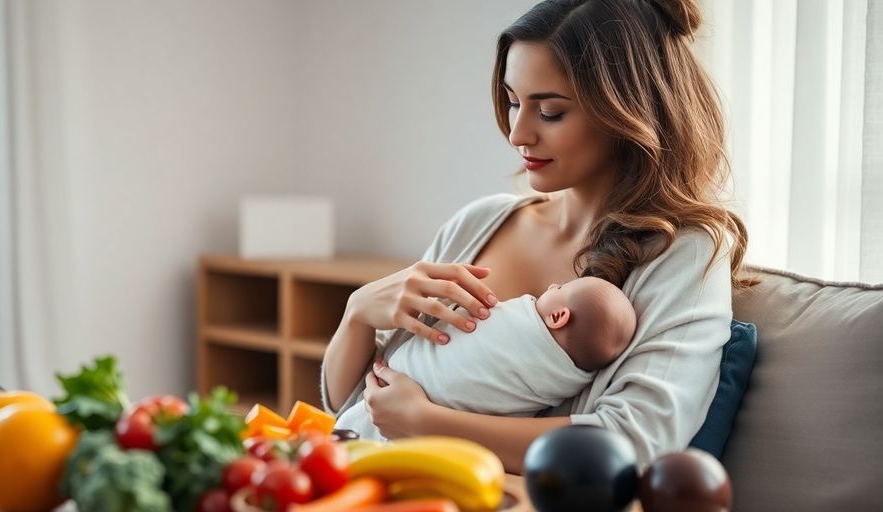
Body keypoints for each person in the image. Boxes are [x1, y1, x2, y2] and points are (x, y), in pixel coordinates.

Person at [321, 0, 754, 473]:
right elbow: (352, 411)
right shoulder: (480, 222)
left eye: (549, 112)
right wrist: (358, 314)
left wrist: (430, 423)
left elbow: (636, 441)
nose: (517, 133)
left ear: (627, 111)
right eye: (512, 102)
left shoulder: (684, 252)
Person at [334, 276, 638, 441]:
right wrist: (356, 311)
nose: (551, 286)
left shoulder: (520, 320)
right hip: (364, 417)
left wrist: (422, 418)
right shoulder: (566, 376)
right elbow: (342, 400)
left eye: (561, 288)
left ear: (558, 316)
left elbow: (619, 439)